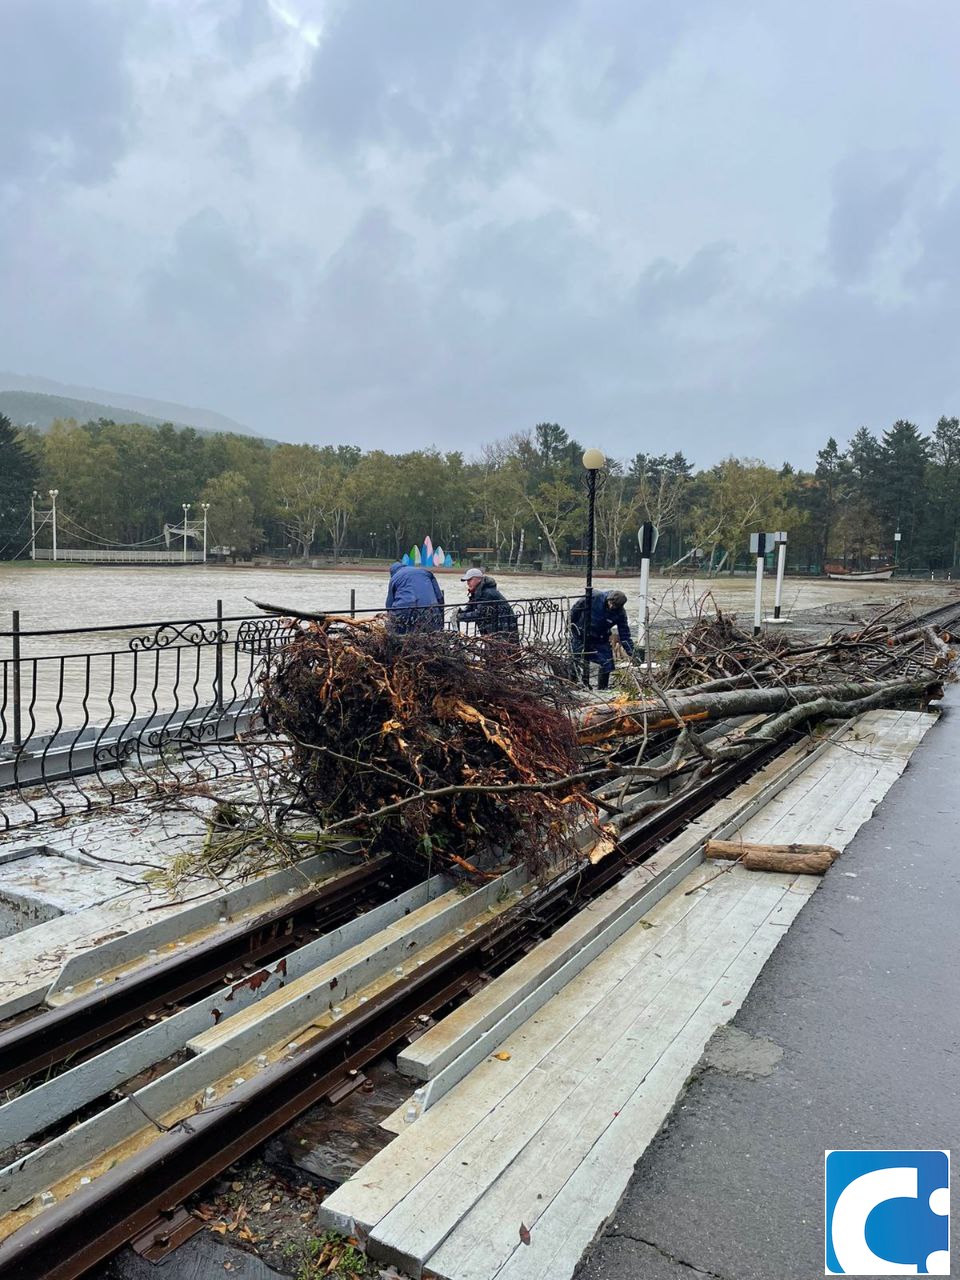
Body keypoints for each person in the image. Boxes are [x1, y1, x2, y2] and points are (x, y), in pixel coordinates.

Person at [570, 588, 633, 688]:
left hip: (600, 637)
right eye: (611, 603)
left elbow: (624, 633)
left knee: (607, 663)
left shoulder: (620, 614)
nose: (612, 606)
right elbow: (575, 609)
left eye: (615, 606)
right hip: (581, 633)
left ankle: (603, 688)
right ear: (608, 599)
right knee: (575, 660)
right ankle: (572, 683)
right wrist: (571, 625)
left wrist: (632, 652)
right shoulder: (595, 596)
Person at [457, 567, 519, 642]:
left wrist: (460, 616)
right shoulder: (479, 591)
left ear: (479, 579)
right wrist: (461, 612)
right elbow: (472, 606)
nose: (468, 583)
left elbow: (479, 614)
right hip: (496, 629)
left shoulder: (486, 593)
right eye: (467, 580)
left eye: (470, 580)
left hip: (502, 628)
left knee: (502, 651)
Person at [384, 562, 445, 634]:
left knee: (391, 627)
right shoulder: (425, 572)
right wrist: (439, 615)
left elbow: (389, 604)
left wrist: (390, 617)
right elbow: (440, 597)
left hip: (404, 613)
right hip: (430, 611)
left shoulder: (394, 578)